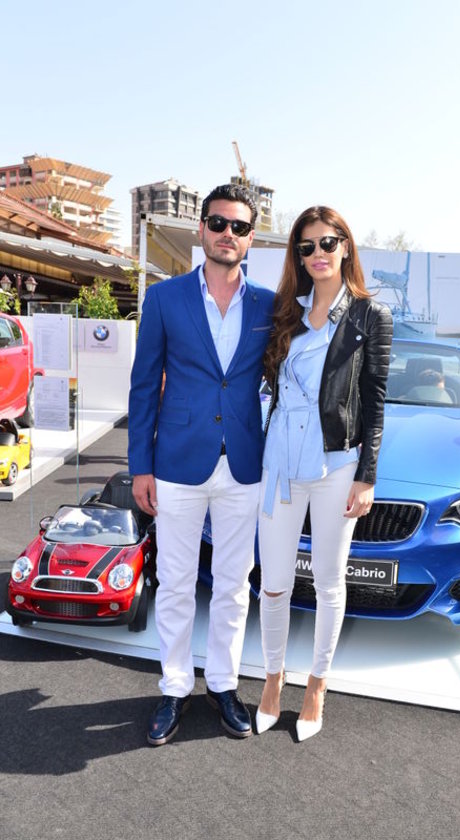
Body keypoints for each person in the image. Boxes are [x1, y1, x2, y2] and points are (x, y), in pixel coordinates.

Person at [128, 184, 275, 745]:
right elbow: (144, 385)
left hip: (243, 463)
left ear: (250, 238)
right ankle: (173, 686)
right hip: (177, 462)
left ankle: (222, 683)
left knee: (235, 584)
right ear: (202, 229)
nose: (227, 234)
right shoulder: (165, 299)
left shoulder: (268, 305)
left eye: (239, 227)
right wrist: (141, 465)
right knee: (175, 581)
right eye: (218, 223)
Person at [255, 205, 393, 741]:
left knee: (329, 583)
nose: (318, 254)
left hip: (338, 464)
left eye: (327, 243)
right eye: (306, 246)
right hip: (280, 462)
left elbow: (374, 401)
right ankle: (272, 680)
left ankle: (316, 685)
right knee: (273, 584)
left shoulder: (369, 316)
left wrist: (367, 475)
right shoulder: (284, 312)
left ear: (345, 246)